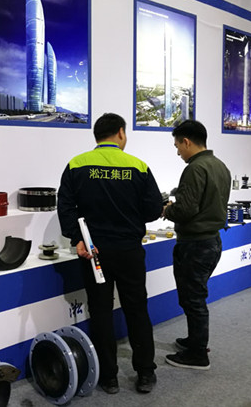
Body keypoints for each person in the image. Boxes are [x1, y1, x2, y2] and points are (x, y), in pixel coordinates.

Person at [57, 113, 163, 394]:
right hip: (129, 250)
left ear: (96, 135)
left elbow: (65, 206)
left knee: (101, 311)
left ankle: (108, 377)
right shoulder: (138, 166)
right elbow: (154, 209)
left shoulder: (77, 164)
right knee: (137, 309)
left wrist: (77, 238)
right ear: (120, 133)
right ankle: (145, 373)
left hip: (94, 253)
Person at [162, 120, 231, 370]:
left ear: (187, 141)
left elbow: (186, 210)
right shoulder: (220, 166)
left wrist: (168, 210)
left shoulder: (194, 168)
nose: (178, 151)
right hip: (212, 241)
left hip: (195, 244)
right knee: (195, 295)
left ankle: (198, 354)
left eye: (177, 146)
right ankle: (194, 341)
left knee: (193, 299)